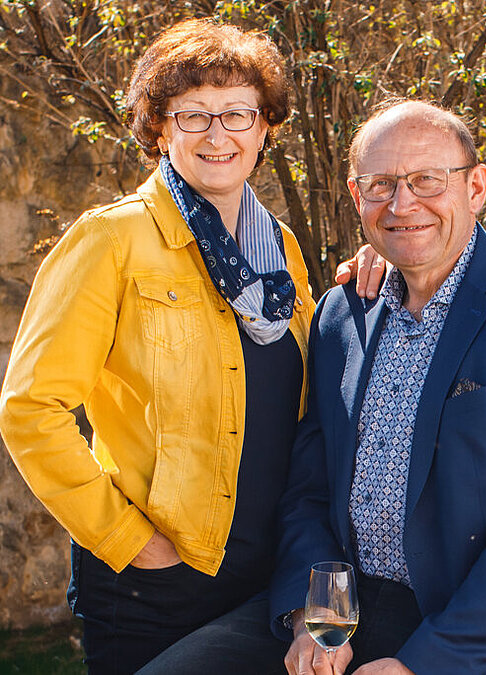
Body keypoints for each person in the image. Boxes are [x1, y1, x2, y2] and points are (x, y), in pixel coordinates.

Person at [0, 19, 313, 674]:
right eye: (193, 115)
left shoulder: (281, 251)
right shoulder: (111, 242)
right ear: (159, 128)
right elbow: (30, 409)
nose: (217, 134)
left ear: (264, 128)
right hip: (155, 585)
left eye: (237, 113)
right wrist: (132, 539)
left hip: (266, 574)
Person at [269, 99, 486, 675]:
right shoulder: (341, 314)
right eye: (381, 185)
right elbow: (311, 490)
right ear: (358, 198)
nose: (403, 204)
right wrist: (322, 620)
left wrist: (423, 664)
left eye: (428, 180)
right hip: (352, 615)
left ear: (475, 187)